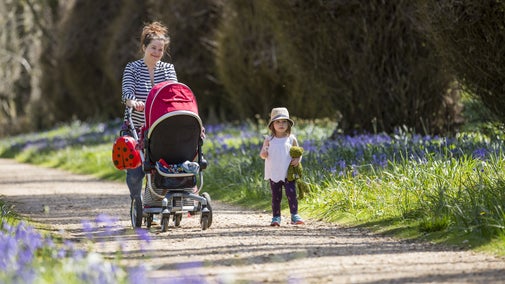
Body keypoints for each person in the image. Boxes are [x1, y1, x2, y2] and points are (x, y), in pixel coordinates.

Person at [121, 21, 177, 201]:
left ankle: (151, 202)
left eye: (161, 50)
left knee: (160, 168)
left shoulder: (168, 69)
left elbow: (173, 93)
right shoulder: (132, 68)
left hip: (160, 127)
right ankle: (136, 200)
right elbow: (126, 93)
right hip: (137, 126)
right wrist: (133, 102)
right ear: (144, 47)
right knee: (136, 172)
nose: (157, 53)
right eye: (153, 48)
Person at [260, 107, 305, 226]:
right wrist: (264, 153)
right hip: (274, 172)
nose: (281, 124)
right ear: (272, 125)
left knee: (291, 193)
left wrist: (297, 159)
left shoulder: (291, 138)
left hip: (288, 173)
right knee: (276, 195)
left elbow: (298, 151)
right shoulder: (269, 139)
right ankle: (276, 217)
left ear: (288, 124)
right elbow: (263, 154)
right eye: (277, 122)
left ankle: (294, 215)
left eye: (284, 121)